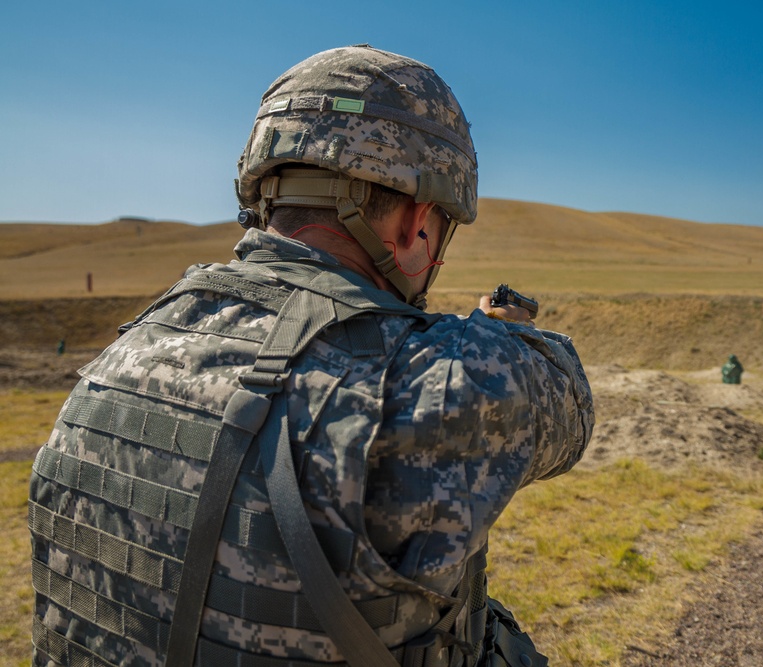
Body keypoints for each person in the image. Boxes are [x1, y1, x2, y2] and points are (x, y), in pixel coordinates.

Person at [28, 45, 594, 667]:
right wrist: (495, 334)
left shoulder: (122, 355)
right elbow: (565, 401)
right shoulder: (431, 384)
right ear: (415, 224)